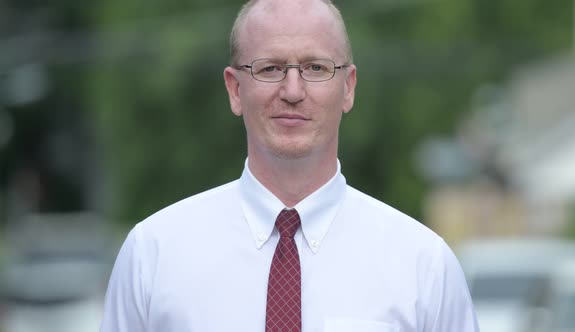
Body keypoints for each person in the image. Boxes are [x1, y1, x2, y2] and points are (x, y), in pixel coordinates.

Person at [100, 0, 480, 331]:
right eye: (270, 69)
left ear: (348, 87)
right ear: (235, 89)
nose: (293, 91)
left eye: (315, 68)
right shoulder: (154, 255)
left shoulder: (423, 266)